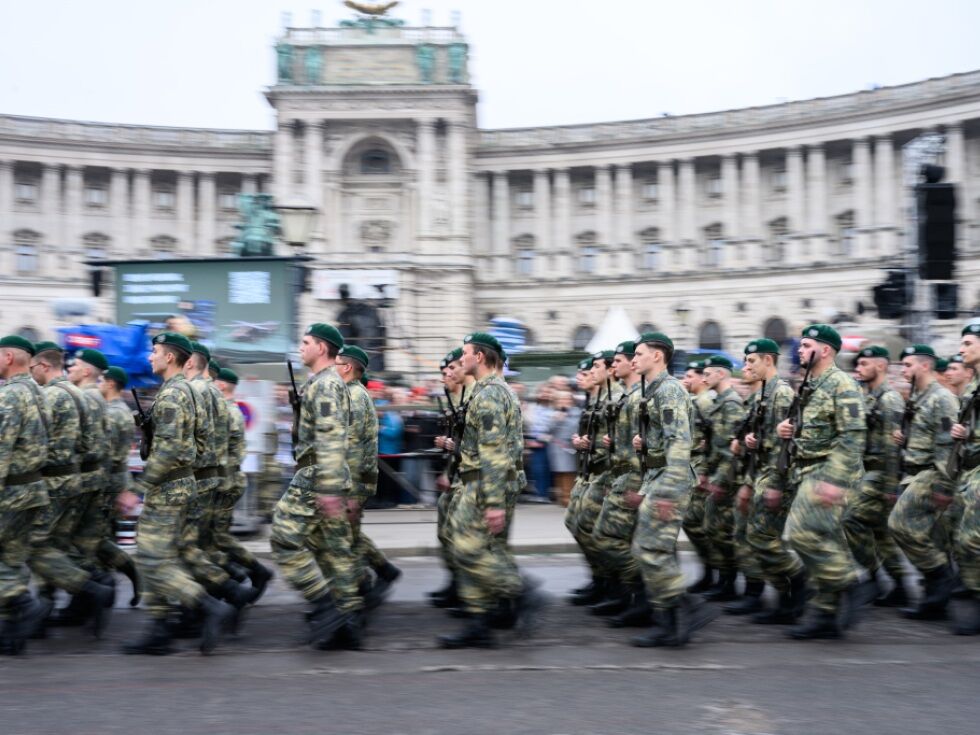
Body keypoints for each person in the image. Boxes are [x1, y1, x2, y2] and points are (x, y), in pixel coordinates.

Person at [120, 332, 235, 655]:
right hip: (179, 484)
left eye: (155, 351)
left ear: (169, 357)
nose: (150, 357)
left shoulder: (173, 394)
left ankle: (207, 605)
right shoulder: (185, 391)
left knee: (152, 559)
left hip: (168, 487)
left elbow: (169, 449)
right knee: (157, 556)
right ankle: (160, 627)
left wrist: (139, 489)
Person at [438, 332, 542, 649]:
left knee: (465, 548)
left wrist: (494, 502)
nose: (461, 358)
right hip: (479, 480)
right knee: (477, 547)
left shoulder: (491, 394)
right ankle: (479, 621)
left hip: (485, 483)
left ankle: (518, 591)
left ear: (479, 357)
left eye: (465, 353)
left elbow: (494, 452)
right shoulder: (488, 391)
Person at [270, 323, 363, 649]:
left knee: (283, 538)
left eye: (306, 342)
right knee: (333, 551)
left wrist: (329, 488)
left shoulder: (325, 385)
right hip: (324, 475)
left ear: (321, 348)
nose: (301, 347)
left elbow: (330, 437)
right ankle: (347, 623)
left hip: (317, 476)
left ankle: (326, 606)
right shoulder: (322, 382)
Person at [777, 324, 871, 640]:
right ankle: (825, 615)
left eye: (806, 346)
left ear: (825, 350)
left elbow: (853, 435)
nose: (800, 350)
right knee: (824, 540)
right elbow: (811, 427)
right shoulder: (810, 384)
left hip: (829, 472)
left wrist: (834, 480)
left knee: (800, 534)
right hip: (806, 471)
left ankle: (849, 580)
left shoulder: (842, 384)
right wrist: (786, 429)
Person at [630, 332, 717, 647]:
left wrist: (667, 492)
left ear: (657, 356)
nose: (634, 359)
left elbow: (679, 442)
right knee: (651, 549)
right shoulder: (654, 390)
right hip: (659, 476)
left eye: (639, 353)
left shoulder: (668, 390)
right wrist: (645, 443)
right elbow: (665, 436)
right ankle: (674, 617)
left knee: (651, 549)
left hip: (670, 479)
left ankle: (680, 612)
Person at [27, 342, 114, 636]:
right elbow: (92, 444)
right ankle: (88, 588)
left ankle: (90, 589)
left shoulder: (53, 395)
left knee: (36, 547)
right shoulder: (79, 394)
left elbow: (36, 443)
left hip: (55, 482)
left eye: (33, 367)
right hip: (75, 480)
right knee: (56, 546)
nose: (31, 372)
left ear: (43, 366)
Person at [887, 344, 960, 621]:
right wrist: (904, 438)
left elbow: (947, 446)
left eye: (908, 365)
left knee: (899, 524)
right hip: (912, 471)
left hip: (931, 473)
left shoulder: (942, 398)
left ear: (925, 366)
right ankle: (935, 600)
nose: (903, 370)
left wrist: (944, 486)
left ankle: (941, 575)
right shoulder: (917, 395)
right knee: (930, 536)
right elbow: (924, 434)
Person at [334, 344, 401, 616]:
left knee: (344, 539)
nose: (333, 368)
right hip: (352, 481)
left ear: (348, 367)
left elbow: (353, 449)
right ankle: (379, 574)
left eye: (337, 364)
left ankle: (358, 593)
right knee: (348, 537)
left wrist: (350, 494)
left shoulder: (354, 397)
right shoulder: (350, 395)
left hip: (352, 483)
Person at [0, 336, 54, 654]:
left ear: (8, 357)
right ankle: (11, 634)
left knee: (7, 562)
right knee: (11, 560)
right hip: (32, 489)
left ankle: (25, 605)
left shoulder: (9, 395)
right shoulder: (37, 391)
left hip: (11, 492)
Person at [842, 346, 908, 607]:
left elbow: (893, 447)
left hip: (881, 473)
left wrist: (892, 487)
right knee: (879, 531)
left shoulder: (890, 399)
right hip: (866, 471)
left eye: (864, 364)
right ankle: (900, 584)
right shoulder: (867, 396)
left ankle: (872, 577)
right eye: (857, 364)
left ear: (880, 366)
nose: (858, 368)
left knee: (850, 519)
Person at [591, 341, 649, 625]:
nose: (613, 366)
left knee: (606, 538)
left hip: (632, 479)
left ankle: (649, 594)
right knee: (609, 537)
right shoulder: (628, 396)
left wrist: (638, 486)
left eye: (618, 361)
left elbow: (644, 447)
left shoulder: (639, 397)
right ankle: (633, 595)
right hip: (620, 476)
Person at [210, 368, 273, 599]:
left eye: (213, 382)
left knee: (215, 538)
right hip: (226, 480)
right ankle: (238, 575)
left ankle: (243, 575)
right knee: (216, 537)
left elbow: (218, 452)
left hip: (224, 482)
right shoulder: (228, 409)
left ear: (221, 385)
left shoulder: (226, 411)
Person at [696, 355, 747, 603]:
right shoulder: (719, 402)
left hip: (728, 479)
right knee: (713, 530)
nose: (704, 377)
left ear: (722, 374)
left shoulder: (732, 404)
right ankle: (725, 581)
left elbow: (731, 450)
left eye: (708, 373)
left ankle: (733, 583)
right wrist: (705, 472)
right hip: (717, 475)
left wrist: (720, 480)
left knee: (724, 532)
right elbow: (712, 445)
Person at [950, 322, 980, 635]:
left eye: (968, 343)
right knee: (962, 537)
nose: (962, 350)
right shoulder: (973, 388)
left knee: (972, 537)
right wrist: (962, 433)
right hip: (970, 470)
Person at [680, 360, 718, 593]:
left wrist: (705, 472)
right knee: (693, 523)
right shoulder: (695, 401)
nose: (685, 380)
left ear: (702, 378)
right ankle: (709, 572)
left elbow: (713, 439)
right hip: (692, 468)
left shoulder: (706, 402)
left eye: (689, 376)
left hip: (701, 470)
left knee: (700, 524)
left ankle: (717, 573)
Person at [547, 389, 580, 507]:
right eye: (561, 399)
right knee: (559, 472)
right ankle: (561, 498)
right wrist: (556, 420)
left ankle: (569, 498)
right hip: (556, 448)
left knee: (569, 472)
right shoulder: (553, 413)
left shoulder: (577, 412)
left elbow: (578, 427)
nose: (564, 401)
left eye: (567, 398)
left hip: (571, 446)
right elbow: (548, 430)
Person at [524, 384, 555, 502]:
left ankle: (543, 494)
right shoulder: (531, 408)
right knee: (536, 469)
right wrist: (529, 441)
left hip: (548, 442)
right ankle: (539, 493)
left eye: (548, 392)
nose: (545, 394)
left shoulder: (554, 409)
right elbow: (527, 424)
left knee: (544, 469)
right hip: (533, 440)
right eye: (542, 392)